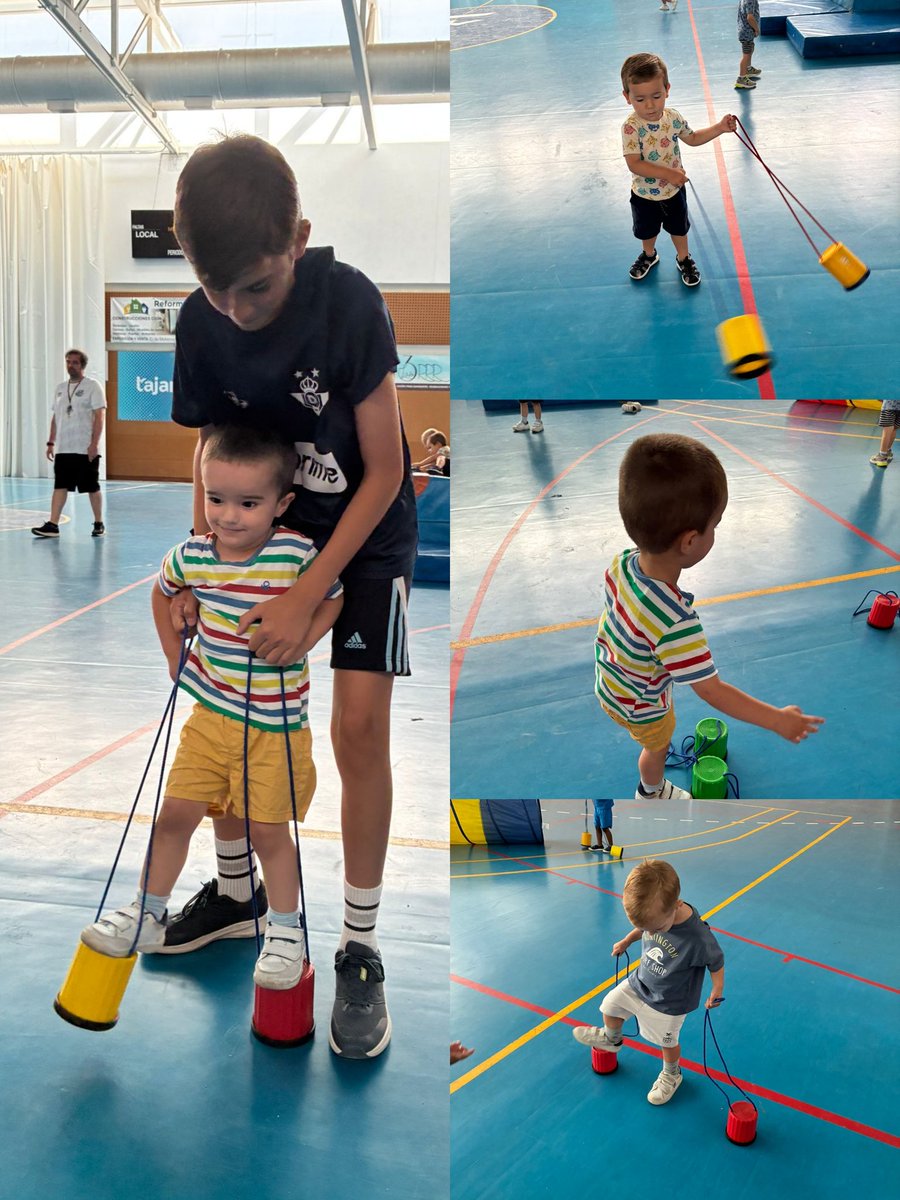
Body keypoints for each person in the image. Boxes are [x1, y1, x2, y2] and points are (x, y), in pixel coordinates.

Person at [163, 133, 419, 1060]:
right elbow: (207, 461)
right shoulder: (201, 324)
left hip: (363, 541)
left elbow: (386, 470)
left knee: (355, 732)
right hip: (259, 546)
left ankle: (357, 944)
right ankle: (236, 893)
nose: (235, 310)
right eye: (214, 290)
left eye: (256, 289)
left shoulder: (347, 305)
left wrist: (313, 594)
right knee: (225, 708)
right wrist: (207, 568)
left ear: (299, 239)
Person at [81, 426, 343, 991]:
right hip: (208, 719)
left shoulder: (294, 553)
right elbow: (161, 590)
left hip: (273, 729)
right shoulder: (192, 556)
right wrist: (173, 655)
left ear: (282, 504)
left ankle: (284, 932)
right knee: (174, 816)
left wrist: (305, 639)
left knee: (269, 835)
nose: (228, 516)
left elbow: (333, 597)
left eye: (249, 504)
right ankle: (148, 911)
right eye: (215, 499)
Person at [595, 433, 824, 800]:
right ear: (689, 542)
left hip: (609, 680)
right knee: (657, 746)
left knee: (654, 732)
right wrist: (777, 719)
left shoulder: (621, 562)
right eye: (714, 525)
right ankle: (650, 790)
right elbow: (712, 690)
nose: (715, 531)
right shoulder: (675, 620)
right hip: (640, 704)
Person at [572, 859, 725, 1105]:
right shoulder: (656, 917)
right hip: (640, 983)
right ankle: (612, 1039)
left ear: (676, 905)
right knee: (610, 1006)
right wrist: (626, 941)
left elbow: (716, 962)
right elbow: (644, 929)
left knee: (667, 1042)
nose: (650, 933)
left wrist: (717, 988)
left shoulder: (698, 936)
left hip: (670, 1001)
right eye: (645, 928)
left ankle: (672, 1074)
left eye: (656, 928)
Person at [620, 54, 736, 287]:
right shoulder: (631, 127)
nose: (650, 105)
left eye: (656, 96)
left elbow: (692, 138)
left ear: (667, 89)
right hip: (645, 194)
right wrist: (669, 174)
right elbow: (634, 163)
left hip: (674, 192)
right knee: (647, 231)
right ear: (627, 97)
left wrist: (720, 128)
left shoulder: (672, 118)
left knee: (679, 229)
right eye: (640, 99)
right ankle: (649, 255)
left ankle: (684, 258)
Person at [32, 349, 106, 538]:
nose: (70, 365)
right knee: (60, 485)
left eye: (74, 362)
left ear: (82, 365)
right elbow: (56, 417)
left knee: (91, 487)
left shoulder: (93, 386)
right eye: (68, 362)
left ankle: (98, 522)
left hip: (84, 448)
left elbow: (100, 416)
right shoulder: (60, 388)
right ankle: (53, 524)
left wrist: (94, 444)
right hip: (64, 448)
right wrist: (51, 442)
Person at [735, 0, 762, 91]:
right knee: (746, 55)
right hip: (747, 32)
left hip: (745, 30)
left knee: (751, 48)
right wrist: (757, 29)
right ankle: (741, 79)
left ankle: (748, 69)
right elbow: (750, 17)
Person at [870, 399, 899, 467]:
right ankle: (887, 451)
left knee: (887, 430)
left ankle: (882, 456)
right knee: (894, 429)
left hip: (889, 406)